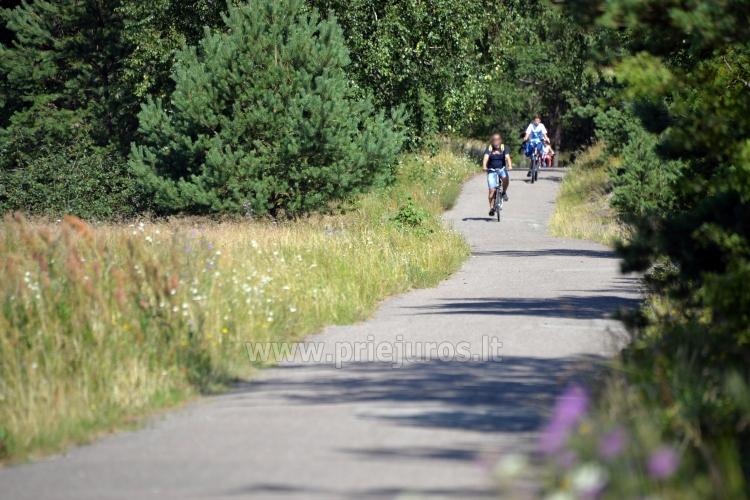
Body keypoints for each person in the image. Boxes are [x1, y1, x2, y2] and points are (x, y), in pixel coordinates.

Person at [482, 133, 513, 216]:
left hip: (501, 169)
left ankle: (504, 192)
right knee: (492, 191)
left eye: (497, 139)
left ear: (500, 140)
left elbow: (507, 157)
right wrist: (484, 166)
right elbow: (485, 158)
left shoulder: (504, 148)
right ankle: (491, 208)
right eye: (494, 140)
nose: (496, 141)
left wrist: (510, 165)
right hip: (491, 170)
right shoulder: (489, 148)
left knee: (505, 178)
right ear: (492, 141)